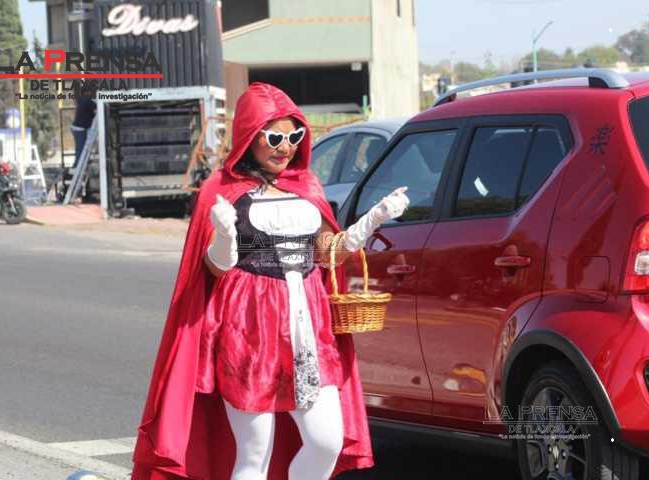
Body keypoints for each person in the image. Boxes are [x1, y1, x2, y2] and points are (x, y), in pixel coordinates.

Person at [131, 82, 409, 480]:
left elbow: (326, 253)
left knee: (327, 441)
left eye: (294, 136)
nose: (286, 147)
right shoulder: (221, 189)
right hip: (250, 328)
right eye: (274, 138)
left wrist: (372, 220)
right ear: (250, 135)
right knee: (254, 454)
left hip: (308, 329)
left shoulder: (307, 185)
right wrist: (225, 235)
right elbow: (214, 268)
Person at [70, 83, 97, 168]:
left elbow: (91, 113)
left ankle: (78, 164)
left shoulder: (82, 100)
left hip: (77, 128)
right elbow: (97, 107)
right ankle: (77, 166)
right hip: (79, 129)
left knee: (80, 148)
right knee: (80, 149)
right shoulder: (87, 101)